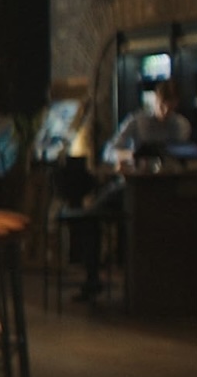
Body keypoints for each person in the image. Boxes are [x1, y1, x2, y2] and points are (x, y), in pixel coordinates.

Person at [71, 79, 190, 301]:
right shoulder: (137, 121)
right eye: (162, 105)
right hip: (130, 186)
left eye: (170, 106)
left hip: (166, 190)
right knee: (91, 216)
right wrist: (129, 156)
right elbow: (109, 151)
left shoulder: (181, 125)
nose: (165, 111)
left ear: (176, 103)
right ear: (155, 100)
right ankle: (92, 280)